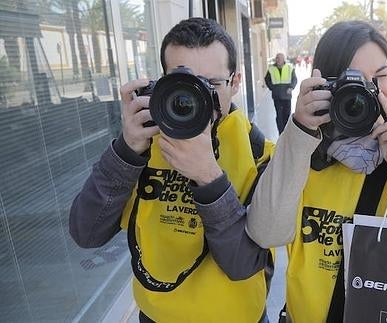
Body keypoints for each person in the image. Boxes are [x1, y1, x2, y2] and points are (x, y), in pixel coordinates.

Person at [246, 20, 387, 322]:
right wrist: (299, 132)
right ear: (325, 87)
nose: (369, 93)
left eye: (379, 77)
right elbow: (264, 233)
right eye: (353, 83)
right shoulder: (304, 155)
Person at [69, 18, 275, 323]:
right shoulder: (145, 142)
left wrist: (209, 177)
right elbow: (86, 233)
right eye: (184, 83)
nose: (198, 96)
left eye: (211, 84)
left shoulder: (259, 151)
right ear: (162, 81)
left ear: (235, 82)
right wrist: (125, 151)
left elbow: (243, 265)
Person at [265, 53, 297, 134]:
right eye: (277, 58)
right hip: (277, 96)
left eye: (279, 58)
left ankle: (287, 131)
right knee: (279, 115)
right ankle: (281, 132)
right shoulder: (271, 69)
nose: (278, 60)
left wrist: (291, 87)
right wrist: (272, 88)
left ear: (283, 59)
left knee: (287, 114)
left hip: (287, 96)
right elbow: (267, 79)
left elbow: (294, 79)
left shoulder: (289, 67)